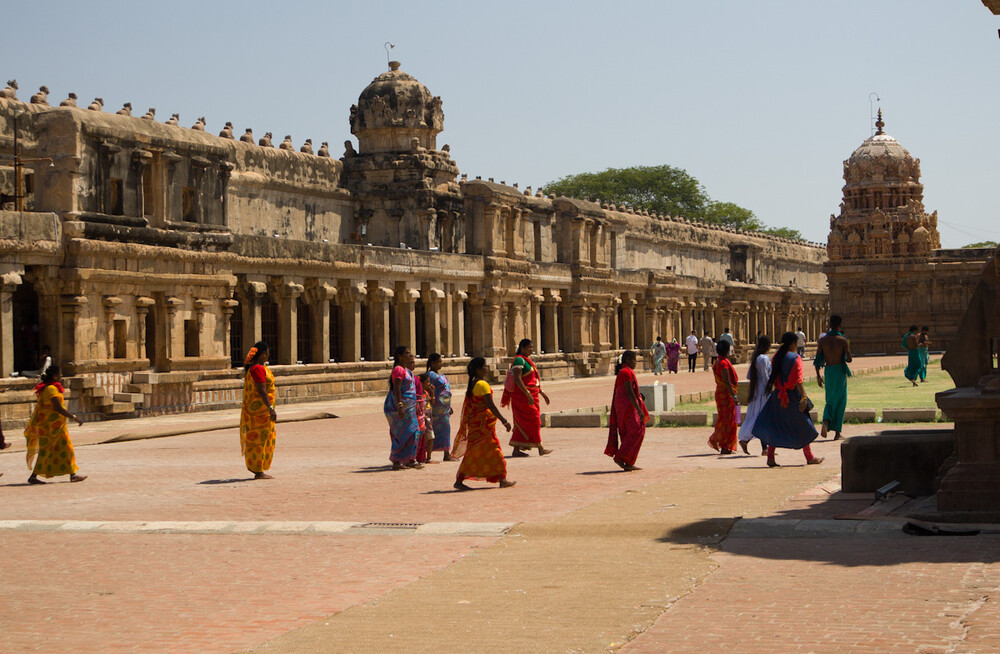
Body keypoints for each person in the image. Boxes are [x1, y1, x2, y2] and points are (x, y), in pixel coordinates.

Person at [752, 332, 824, 467]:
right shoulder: (795, 358)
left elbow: (774, 377)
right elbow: (798, 380)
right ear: (793, 344)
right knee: (804, 425)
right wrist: (803, 396)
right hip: (792, 396)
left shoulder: (776, 357)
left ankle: (770, 457)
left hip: (778, 396)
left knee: (775, 425)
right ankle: (809, 457)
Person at [452, 357, 516, 490]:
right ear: (478, 370)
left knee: (473, 452)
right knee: (495, 450)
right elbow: (491, 406)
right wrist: (504, 421)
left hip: (478, 425)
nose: (487, 369)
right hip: (483, 426)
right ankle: (502, 478)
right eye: (484, 367)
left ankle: (461, 479)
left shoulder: (473, 384)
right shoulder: (482, 385)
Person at [23, 365, 87, 484]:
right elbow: (58, 408)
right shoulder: (51, 389)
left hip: (54, 426)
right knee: (62, 449)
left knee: (57, 450)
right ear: (55, 376)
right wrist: (74, 417)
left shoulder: (47, 388)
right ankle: (35, 476)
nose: (61, 375)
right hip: (53, 427)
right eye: (60, 373)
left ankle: (72, 474)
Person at [501, 339, 551, 457]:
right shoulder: (519, 360)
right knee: (534, 421)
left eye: (532, 347)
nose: (531, 349)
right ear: (522, 348)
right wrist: (527, 394)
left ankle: (516, 449)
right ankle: (540, 447)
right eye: (529, 347)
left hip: (531, 395)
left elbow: (532, 380)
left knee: (522, 423)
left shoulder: (527, 361)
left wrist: (542, 393)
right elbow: (517, 379)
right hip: (522, 397)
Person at [240, 342, 278, 479]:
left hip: (259, 412)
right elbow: (261, 390)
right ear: (262, 354)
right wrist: (270, 408)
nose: (268, 356)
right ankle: (258, 470)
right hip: (259, 413)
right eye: (267, 353)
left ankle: (259, 469)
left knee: (266, 439)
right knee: (259, 441)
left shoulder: (260, 367)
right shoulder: (257, 369)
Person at [605, 350, 649, 471]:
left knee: (628, 432)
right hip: (627, 408)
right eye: (634, 360)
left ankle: (628, 461)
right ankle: (621, 457)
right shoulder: (625, 373)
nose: (636, 363)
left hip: (624, 408)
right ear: (628, 360)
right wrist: (639, 410)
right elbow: (629, 393)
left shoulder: (626, 372)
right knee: (637, 429)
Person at [384, 345, 422, 469]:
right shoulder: (399, 370)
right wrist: (400, 405)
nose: (409, 355)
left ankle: (409, 459)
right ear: (400, 357)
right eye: (406, 353)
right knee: (401, 433)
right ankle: (396, 461)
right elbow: (397, 388)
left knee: (413, 432)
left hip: (410, 407)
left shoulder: (408, 371)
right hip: (399, 406)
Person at [815, 315, 853, 441]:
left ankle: (826, 421)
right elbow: (849, 358)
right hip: (839, 371)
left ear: (829, 325)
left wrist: (818, 377)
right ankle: (837, 432)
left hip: (829, 370)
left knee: (830, 399)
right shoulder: (842, 340)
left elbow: (817, 360)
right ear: (840, 325)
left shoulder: (823, 341)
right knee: (841, 400)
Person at [738, 335, 772, 455]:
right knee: (761, 418)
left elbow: (749, 376)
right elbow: (765, 376)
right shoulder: (763, 358)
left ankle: (763, 447)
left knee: (758, 416)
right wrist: (770, 388)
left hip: (756, 390)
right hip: (763, 391)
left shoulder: (756, 358)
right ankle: (750, 441)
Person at [708, 340, 739, 454]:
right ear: (727, 350)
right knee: (728, 420)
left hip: (721, 393)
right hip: (726, 395)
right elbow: (727, 381)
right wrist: (734, 395)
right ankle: (724, 444)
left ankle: (725, 443)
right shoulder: (723, 363)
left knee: (725, 418)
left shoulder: (717, 362)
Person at [426, 353, 457, 461]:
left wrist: (449, 405)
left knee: (445, 430)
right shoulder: (430, 375)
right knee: (430, 430)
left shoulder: (442, 375)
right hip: (435, 408)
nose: (441, 364)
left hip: (444, 409)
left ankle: (446, 453)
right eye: (439, 362)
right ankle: (427, 455)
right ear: (432, 363)